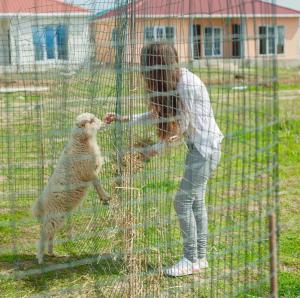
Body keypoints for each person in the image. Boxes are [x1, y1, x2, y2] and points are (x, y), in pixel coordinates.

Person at [104, 42, 223, 277]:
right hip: (199, 148)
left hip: (205, 150)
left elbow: (180, 127)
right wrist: (123, 118)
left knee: (182, 202)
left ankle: (190, 259)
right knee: (196, 201)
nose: (144, 72)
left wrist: (153, 150)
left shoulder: (187, 85)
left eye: (147, 66)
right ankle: (200, 258)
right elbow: (156, 115)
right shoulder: (175, 82)